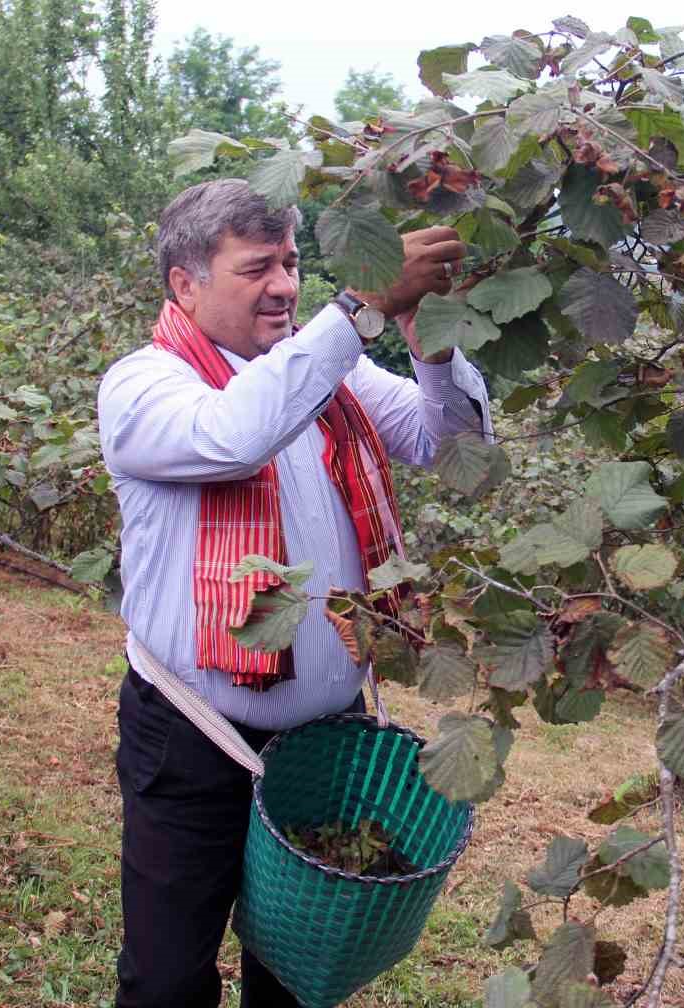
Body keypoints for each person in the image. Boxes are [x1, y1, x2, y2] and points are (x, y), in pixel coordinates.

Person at [97, 178, 491, 1007]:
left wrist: (432, 341)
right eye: (256, 267)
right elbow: (236, 435)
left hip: (322, 740)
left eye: (292, 262)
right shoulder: (143, 386)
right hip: (191, 737)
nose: (283, 285)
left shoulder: (329, 378)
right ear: (186, 284)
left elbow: (452, 446)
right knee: (168, 979)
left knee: (296, 974)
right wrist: (356, 311)